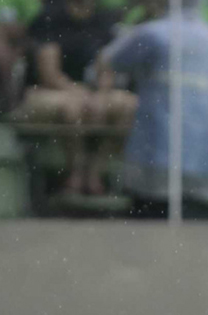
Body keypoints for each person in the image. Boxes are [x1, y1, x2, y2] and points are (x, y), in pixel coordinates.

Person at [99, 0, 208, 218]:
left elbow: (107, 61)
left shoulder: (152, 33)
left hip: (154, 164)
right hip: (204, 165)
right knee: (192, 237)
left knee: (148, 238)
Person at [13, 0, 138, 195]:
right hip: (49, 90)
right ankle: (74, 174)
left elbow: (106, 68)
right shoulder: (50, 18)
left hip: (88, 91)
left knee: (128, 105)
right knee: (73, 108)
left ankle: (96, 173)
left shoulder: (103, 20)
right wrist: (80, 93)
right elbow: (49, 74)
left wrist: (101, 94)